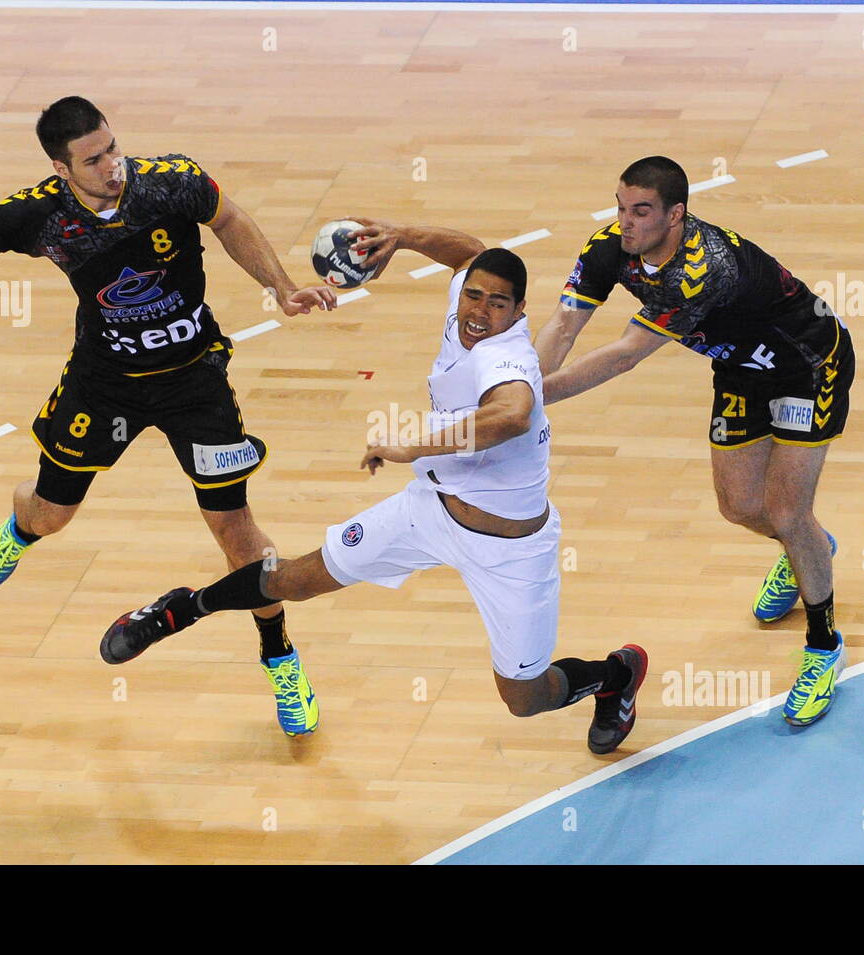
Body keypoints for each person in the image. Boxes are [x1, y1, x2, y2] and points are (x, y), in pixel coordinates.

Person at [99, 219, 649, 755]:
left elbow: (511, 414)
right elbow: (468, 251)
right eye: (475, 297)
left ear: (519, 312)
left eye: (497, 304)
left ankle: (615, 676)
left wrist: (415, 445)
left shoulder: (508, 358)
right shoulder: (468, 302)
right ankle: (182, 609)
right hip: (429, 510)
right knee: (294, 577)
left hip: (509, 549)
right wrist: (402, 237)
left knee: (525, 699)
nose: (480, 312)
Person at [0, 96, 335, 736]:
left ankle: (279, 655)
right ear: (62, 169)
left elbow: (229, 219)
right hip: (103, 384)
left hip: (193, 379)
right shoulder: (37, 214)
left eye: (113, 147)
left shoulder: (171, 183)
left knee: (234, 528)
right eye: (94, 159)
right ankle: (20, 527)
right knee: (52, 514)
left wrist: (280, 285)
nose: (113, 165)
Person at [534, 156, 855, 727]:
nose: (625, 223)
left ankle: (824, 646)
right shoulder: (610, 248)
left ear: (676, 214)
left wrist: (533, 402)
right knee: (739, 508)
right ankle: (809, 547)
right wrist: (523, 386)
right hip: (739, 371)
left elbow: (625, 355)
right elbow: (563, 325)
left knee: (785, 509)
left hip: (807, 364)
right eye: (620, 207)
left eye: (641, 211)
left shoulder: (705, 269)